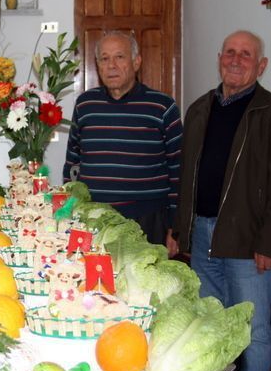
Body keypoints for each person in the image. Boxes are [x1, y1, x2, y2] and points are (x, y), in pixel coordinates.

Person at [174, 30, 271, 371]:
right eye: (229, 52)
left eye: (245, 54)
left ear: (260, 66)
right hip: (203, 236)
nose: (236, 59)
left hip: (250, 242)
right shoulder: (199, 109)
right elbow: (186, 179)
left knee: (253, 328)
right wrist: (181, 230)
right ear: (219, 59)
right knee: (213, 323)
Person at [62, 32, 182, 251]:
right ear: (97, 65)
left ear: (136, 62)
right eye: (104, 59)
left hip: (147, 220)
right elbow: (72, 164)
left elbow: (178, 169)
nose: (111, 65)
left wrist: (176, 226)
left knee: (145, 284)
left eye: (119, 57)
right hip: (94, 218)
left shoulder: (162, 106)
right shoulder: (85, 105)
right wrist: (68, 211)